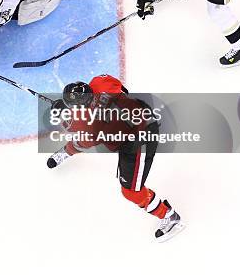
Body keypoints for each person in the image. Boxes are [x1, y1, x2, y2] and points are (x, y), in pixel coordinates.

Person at [47, 74, 185, 242]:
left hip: (138, 141)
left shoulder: (88, 126)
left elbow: (80, 141)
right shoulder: (100, 82)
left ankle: (171, 218)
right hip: (142, 116)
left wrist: (65, 118)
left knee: (131, 192)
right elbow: (120, 87)